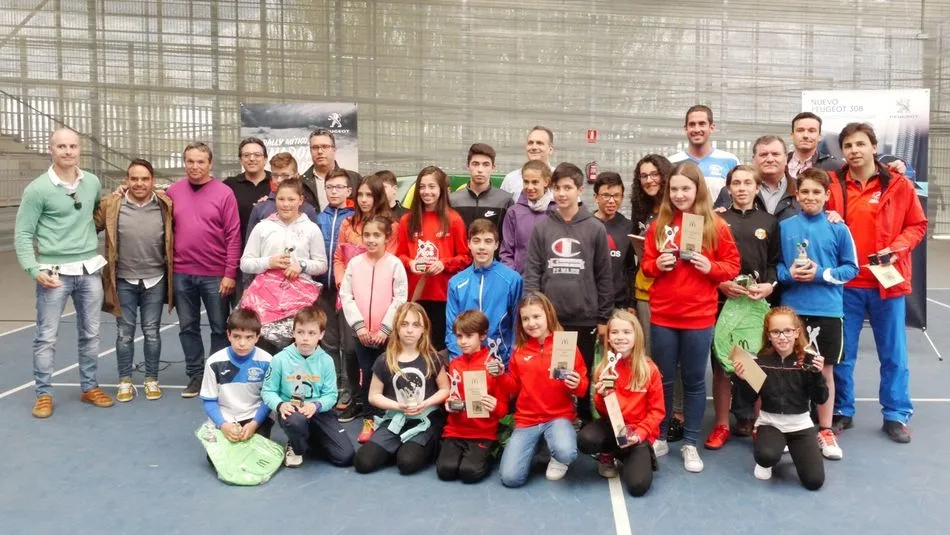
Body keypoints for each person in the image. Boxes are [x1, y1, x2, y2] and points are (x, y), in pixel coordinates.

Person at [825, 122, 927, 443]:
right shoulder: (831, 185)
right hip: (847, 284)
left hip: (888, 283)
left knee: (893, 353)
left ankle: (895, 414)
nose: (854, 151)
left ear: (873, 146)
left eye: (860, 144)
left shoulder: (899, 184)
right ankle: (843, 409)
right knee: (844, 354)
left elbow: (917, 226)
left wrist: (897, 249)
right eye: (848, 146)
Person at [640, 161, 740, 473]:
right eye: (675, 189)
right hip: (664, 315)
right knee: (664, 380)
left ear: (698, 189)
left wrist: (711, 269)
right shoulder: (659, 225)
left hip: (699, 317)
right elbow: (646, 265)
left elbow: (732, 266)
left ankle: (689, 443)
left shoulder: (716, 226)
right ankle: (659, 436)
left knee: (695, 381)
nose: (680, 194)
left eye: (686, 188)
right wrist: (660, 265)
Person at [14, 127, 114, 417]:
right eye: (62, 147)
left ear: (79, 149)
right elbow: (22, 234)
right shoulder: (37, 189)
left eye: (72, 146)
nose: (68, 151)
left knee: (91, 333)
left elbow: (95, 215)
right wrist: (34, 269)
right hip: (53, 274)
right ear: (51, 149)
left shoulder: (92, 182)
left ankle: (89, 387)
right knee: (46, 336)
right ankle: (43, 394)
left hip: (88, 270)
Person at [777, 167, 859, 460]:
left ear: (826, 196)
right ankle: (794, 427)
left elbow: (851, 268)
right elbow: (775, 266)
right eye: (805, 192)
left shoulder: (838, 228)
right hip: (793, 311)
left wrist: (820, 273)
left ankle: (824, 429)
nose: (810, 197)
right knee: (792, 369)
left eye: (816, 192)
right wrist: (789, 274)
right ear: (796, 195)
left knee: (824, 370)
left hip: (827, 310)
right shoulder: (785, 226)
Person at [523, 162, 612, 422]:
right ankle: (554, 421)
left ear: (580, 190)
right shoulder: (542, 228)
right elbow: (533, 272)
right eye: (556, 188)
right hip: (551, 320)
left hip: (583, 318)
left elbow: (603, 276)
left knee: (580, 375)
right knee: (551, 375)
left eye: (567, 188)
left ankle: (584, 421)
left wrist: (604, 318)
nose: (561, 193)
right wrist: (531, 312)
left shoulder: (595, 228)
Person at [706, 165, 780, 450]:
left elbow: (774, 262)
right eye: (735, 183)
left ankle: (760, 424)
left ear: (757, 187)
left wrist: (769, 285)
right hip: (724, 303)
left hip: (754, 305)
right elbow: (708, 260)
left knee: (754, 366)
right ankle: (722, 424)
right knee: (723, 367)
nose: (741, 188)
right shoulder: (716, 220)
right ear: (728, 188)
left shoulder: (770, 222)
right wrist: (721, 283)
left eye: (748, 182)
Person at [94, 159, 174, 402]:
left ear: (153, 181)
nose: (139, 183)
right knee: (124, 334)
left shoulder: (165, 204)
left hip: (155, 280)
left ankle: (151, 379)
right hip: (123, 281)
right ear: (126, 181)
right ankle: (125, 380)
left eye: (144, 179)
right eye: (134, 178)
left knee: (152, 332)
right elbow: (87, 227)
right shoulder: (111, 204)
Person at [166, 142, 241, 398]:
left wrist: (230, 273)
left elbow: (233, 235)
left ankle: (218, 377)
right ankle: (196, 376)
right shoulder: (172, 192)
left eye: (200, 161)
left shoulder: (224, 193)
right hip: (182, 273)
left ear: (210, 164)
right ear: (184, 162)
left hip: (216, 275)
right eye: (190, 161)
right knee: (188, 326)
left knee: (220, 328)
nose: (195, 166)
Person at [499, 292, 589, 487]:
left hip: (558, 417)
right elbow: (513, 388)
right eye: (525, 318)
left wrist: (576, 384)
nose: (531, 323)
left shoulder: (566, 346)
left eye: (536, 316)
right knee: (510, 478)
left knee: (566, 452)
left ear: (548, 315)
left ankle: (557, 452)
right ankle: (539, 445)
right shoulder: (519, 351)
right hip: (527, 420)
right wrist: (499, 375)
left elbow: (582, 390)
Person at [734, 307, 827, 490]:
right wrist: (743, 380)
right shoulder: (760, 362)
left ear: (796, 333)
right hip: (770, 423)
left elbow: (821, 398)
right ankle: (769, 455)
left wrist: (817, 375)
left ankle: (794, 447)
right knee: (766, 455)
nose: (782, 337)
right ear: (768, 335)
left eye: (787, 331)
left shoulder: (807, 361)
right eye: (776, 332)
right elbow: (747, 400)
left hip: (800, 425)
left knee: (814, 481)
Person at [353, 302, 450, 475]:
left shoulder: (433, 358)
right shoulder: (385, 360)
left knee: (407, 463)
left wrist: (426, 403)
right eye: (404, 324)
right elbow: (374, 396)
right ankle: (399, 446)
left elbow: (445, 390)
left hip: (424, 419)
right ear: (396, 328)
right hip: (395, 418)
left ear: (423, 330)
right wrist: (398, 406)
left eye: (416, 325)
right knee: (363, 462)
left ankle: (422, 445)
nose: (410, 330)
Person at [578, 310, 664, 496]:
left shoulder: (650, 370)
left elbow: (657, 411)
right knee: (585, 440)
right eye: (614, 332)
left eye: (626, 332)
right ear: (608, 338)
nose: (620, 337)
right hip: (613, 426)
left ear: (637, 336)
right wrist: (601, 396)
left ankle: (635, 453)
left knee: (638, 486)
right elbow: (602, 412)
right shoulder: (604, 369)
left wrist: (639, 434)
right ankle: (609, 452)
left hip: (638, 432)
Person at [339, 214, 409, 443]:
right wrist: (359, 327)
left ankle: (389, 418)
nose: (371, 240)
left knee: (388, 375)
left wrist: (385, 329)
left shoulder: (395, 264)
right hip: (361, 334)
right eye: (367, 235)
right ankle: (369, 419)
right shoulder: (355, 264)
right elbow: (346, 296)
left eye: (376, 235)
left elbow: (400, 298)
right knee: (367, 375)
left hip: (386, 336)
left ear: (387, 237)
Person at [240, 179, 328, 353]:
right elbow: (245, 263)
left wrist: (301, 266)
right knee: (266, 348)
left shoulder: (311, 229)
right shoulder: (262, 227)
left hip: (300, 301)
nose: (286, 204)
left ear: (301, 200)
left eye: (291, 199)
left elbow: (322, 265)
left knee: (296, 349)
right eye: (281, 199)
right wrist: (268, 262)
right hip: (266, 300)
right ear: (275, 200)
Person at [261, 306, 356, 468]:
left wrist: (316, 405)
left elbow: (331, 395)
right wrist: (280, 405)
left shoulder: (326, 361)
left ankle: (309, 437)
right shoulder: (280, 359)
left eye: (311, 333)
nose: (305, 338)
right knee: (296, 422)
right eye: (301, 332)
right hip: (293, 411)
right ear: (293, 333)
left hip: (319, 411)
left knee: (345, 457)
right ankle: (296, 445)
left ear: (321, 335)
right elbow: (267, 391)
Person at [396, 166, 471, 351]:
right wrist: (410, 263)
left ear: (442, 190)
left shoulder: (454, 219)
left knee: (438, 348)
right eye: (422, 187)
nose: (426, 192)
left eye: (432, 187)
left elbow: (466, 257)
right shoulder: (407, 220)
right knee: (414, 346)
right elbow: (399, 255)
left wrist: (444, 264)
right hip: (415, 294)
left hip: (443, 296)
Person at [436, 310, 516, 484]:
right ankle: (459, 453)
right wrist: (448, 404)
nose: (462, 342)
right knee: (445, 471)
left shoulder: (493, 366)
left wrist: (494, 405)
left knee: (469, 473)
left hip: (483, 433)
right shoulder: (455, 364)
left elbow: (503, 411)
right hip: (456, 430)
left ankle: (491, 452)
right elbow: (450, 397)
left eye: (469, 336)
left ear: (482, 335)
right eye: (459, 336)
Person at [629, 155, 676, 435]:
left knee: (673, 360)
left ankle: (677, 414)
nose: (650, 180)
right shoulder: (642, 212)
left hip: (673, 295)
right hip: (644, 292)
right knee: (647, 358)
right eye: (644, 176)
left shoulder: (681, 211)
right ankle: (649, 416)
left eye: (655, 174)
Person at [445, 219, 523, 364]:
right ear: (468, 243)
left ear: (496, 245)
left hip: (502, 360)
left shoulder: (512, 280)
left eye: (488, 241)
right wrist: (458, 361)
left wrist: (512, 360)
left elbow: (517, 325)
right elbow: (451, 327)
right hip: (467, 361)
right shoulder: (456, 282)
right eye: (476, 241)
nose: (481, 247)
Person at [314, 169, 355, 416]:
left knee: (348, 344)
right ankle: (334, 386)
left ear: (349, 191)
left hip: (347, 292)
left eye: (340, 187)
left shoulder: (354, 220)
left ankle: (349, 387)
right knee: (328, 343)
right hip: (323, 290)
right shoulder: (318, 218)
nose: (334, 191)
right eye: (330, 187)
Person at [199, 309, 274, 442]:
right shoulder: (214, 362)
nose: (242, 343)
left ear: (257, 337)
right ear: (228, 335)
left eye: (249, 337)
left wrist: (254, 424)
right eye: (237, 336)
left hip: (255, 417)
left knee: (255, 454)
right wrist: (223, 425)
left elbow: (268, 399)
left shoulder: (267, 361)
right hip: (225, 418)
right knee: (215, 461)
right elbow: (209, 401)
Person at [668, 105, 739, 202]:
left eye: (702, 124)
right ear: (686, 129)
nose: (697, 129)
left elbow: (738, 196)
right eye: (692, 124)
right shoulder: (671, 162)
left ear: (711, 127)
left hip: (719, 217)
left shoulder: (730, 160)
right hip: (684, 217)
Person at [245, 153, 319, 240]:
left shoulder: (308, 209)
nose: (279, 180)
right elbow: (251, 247)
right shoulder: (260, 208)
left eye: (285, 175)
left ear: (297, 176)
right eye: (275, 175)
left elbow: (314, 244)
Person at [499, 160, 554, 274]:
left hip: (551, 284)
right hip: (521, 283)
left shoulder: (557, 211)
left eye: (535, 182)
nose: (529, 187)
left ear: (546, 182)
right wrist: (514, 279)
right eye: (526, 182)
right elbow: (506, 253)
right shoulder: (513, 212)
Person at [592, 171, 636, 310]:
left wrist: (631, 303)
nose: (611, 201)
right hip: (590, 303)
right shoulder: (585, 225)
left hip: (618, 303)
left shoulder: (628, 227)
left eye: (616, 196)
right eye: (606, 195)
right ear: (596, 197)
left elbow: (630, 268)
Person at [450, 143, 513, 237]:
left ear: (493, 168)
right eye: (475, 164)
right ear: (468, 166)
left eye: (486, 165)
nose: (480, 170)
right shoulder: (452, 201)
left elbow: (509, 240)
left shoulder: (505, 200)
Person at [300, 128, 360, 210]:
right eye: (315, 147)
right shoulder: (300, 183)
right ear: (310, 151)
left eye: (324, 146)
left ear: (334, 149)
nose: (320, 151)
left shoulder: (354, 179)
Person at [500, 126, 555, 201]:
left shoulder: (559, 178)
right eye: (530, 143)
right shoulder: (511, 179)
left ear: (550, 149)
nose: (534, 147)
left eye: (539, 143)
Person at [787, 112, 843, 179]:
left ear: (819, 136)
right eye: (800, 130)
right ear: (792, 136)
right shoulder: (780, 162)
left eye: (811, 131)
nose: (805, 135)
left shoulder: (834, 166)